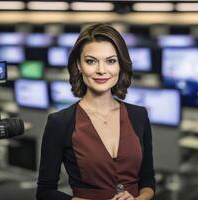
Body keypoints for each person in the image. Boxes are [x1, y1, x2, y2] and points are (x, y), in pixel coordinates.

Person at [36, 23, 156, 200]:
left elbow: (147, 180)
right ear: (78, 65)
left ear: (120, 65)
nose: (101, 70)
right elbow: (45, 192)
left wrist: (140, 198)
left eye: (111, 61)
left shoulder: (139, 115)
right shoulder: (60, 122)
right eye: (91, 61)